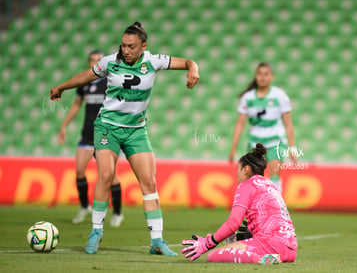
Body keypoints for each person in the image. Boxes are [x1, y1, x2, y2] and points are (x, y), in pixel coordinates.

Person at [50, 21, 199, 255]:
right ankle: (96, 231)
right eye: (123, 45)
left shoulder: (153, 60)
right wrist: (61, 87)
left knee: (149, 183)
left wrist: (193, 69)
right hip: (107, 127)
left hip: (136, 131)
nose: (126, 50)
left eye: (131, 46)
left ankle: (157, 241)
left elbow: (189, 62)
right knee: (107, 175)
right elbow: (86, 76)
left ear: (143, 46)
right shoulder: (110, 61)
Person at [182, 143, 297, 264]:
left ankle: (261, 259)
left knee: (213, 255)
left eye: (238, 169)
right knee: (233, 245)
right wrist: (252, 232)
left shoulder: (247, 185)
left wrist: (207, 243)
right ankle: (266, 257)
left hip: (271, 245)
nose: (237, 173)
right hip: (290, 250)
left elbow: (233, 223)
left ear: (246, 169)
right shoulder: (271, 186)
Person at [58, 50, 124, 227]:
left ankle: (117, 213)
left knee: (110, 175)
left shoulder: (111, 81)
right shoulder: (84, 83)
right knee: (79, 171)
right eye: (92, 60)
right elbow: (77, 105)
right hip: (87, 134)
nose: (95, 62)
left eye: (98, 59)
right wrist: (64, 125)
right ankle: (84, 207)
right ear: (89, 63)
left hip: (105, 134)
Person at [228, 63, 298, 192]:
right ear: (256, 76)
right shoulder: (248, 98)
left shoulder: (279, 96)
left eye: (266, 74)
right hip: (255, 143)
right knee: (251, 178)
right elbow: (240, 124)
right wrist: (233, 148)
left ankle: (276, 208)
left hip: (275, 142)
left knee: (274, 176)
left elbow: (288, 123)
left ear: (272, 77)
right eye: (260, 74)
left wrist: (292, 148)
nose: (263, 77)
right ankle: (255, 208)